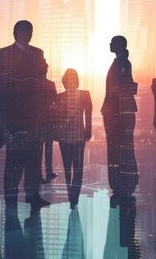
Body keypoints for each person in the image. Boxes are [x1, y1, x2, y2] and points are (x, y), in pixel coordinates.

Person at [0, 20, 50, 213]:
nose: (29, 34)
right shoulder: (3, 54)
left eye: (31, 31)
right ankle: (11, 196)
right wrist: (2, 117)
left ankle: (32, 196)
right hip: (14, 114)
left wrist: (42, 71)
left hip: (34, 114)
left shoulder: (38, 53)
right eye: (26, 31)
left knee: (34, 157)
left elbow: (41, 81)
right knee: (14, 158)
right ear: (16, 32)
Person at [101, 35, 138, 203]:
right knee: (119, 148)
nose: (109, 44)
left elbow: (122, 89)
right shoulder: (119, 62)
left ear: (120, 45)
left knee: (119, 148)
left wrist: (111, 109)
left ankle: (122, 182)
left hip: (118, 114)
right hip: (114, 112)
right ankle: (120, 183)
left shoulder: (123, 63)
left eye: (112, 42)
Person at [56, 68, 92, 209]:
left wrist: (88, 131)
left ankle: (74, 196)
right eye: (68, 78)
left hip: (78, 136)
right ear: (65, 81)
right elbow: (57, 118)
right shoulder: (59, 97)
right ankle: (70, 194)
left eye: (73, 77)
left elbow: (88, 115)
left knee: (77, 168)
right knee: (67, 167)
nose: (70, 80)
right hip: (64, 137)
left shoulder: (84, 95)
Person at [35, 59, 58, 184]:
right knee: (46, 147)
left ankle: (42, 173)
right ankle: (46, 171)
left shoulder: (36, 84)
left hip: (42, 120)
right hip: (45, 120)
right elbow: (55, 101)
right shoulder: (49, 84)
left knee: (42, 148)